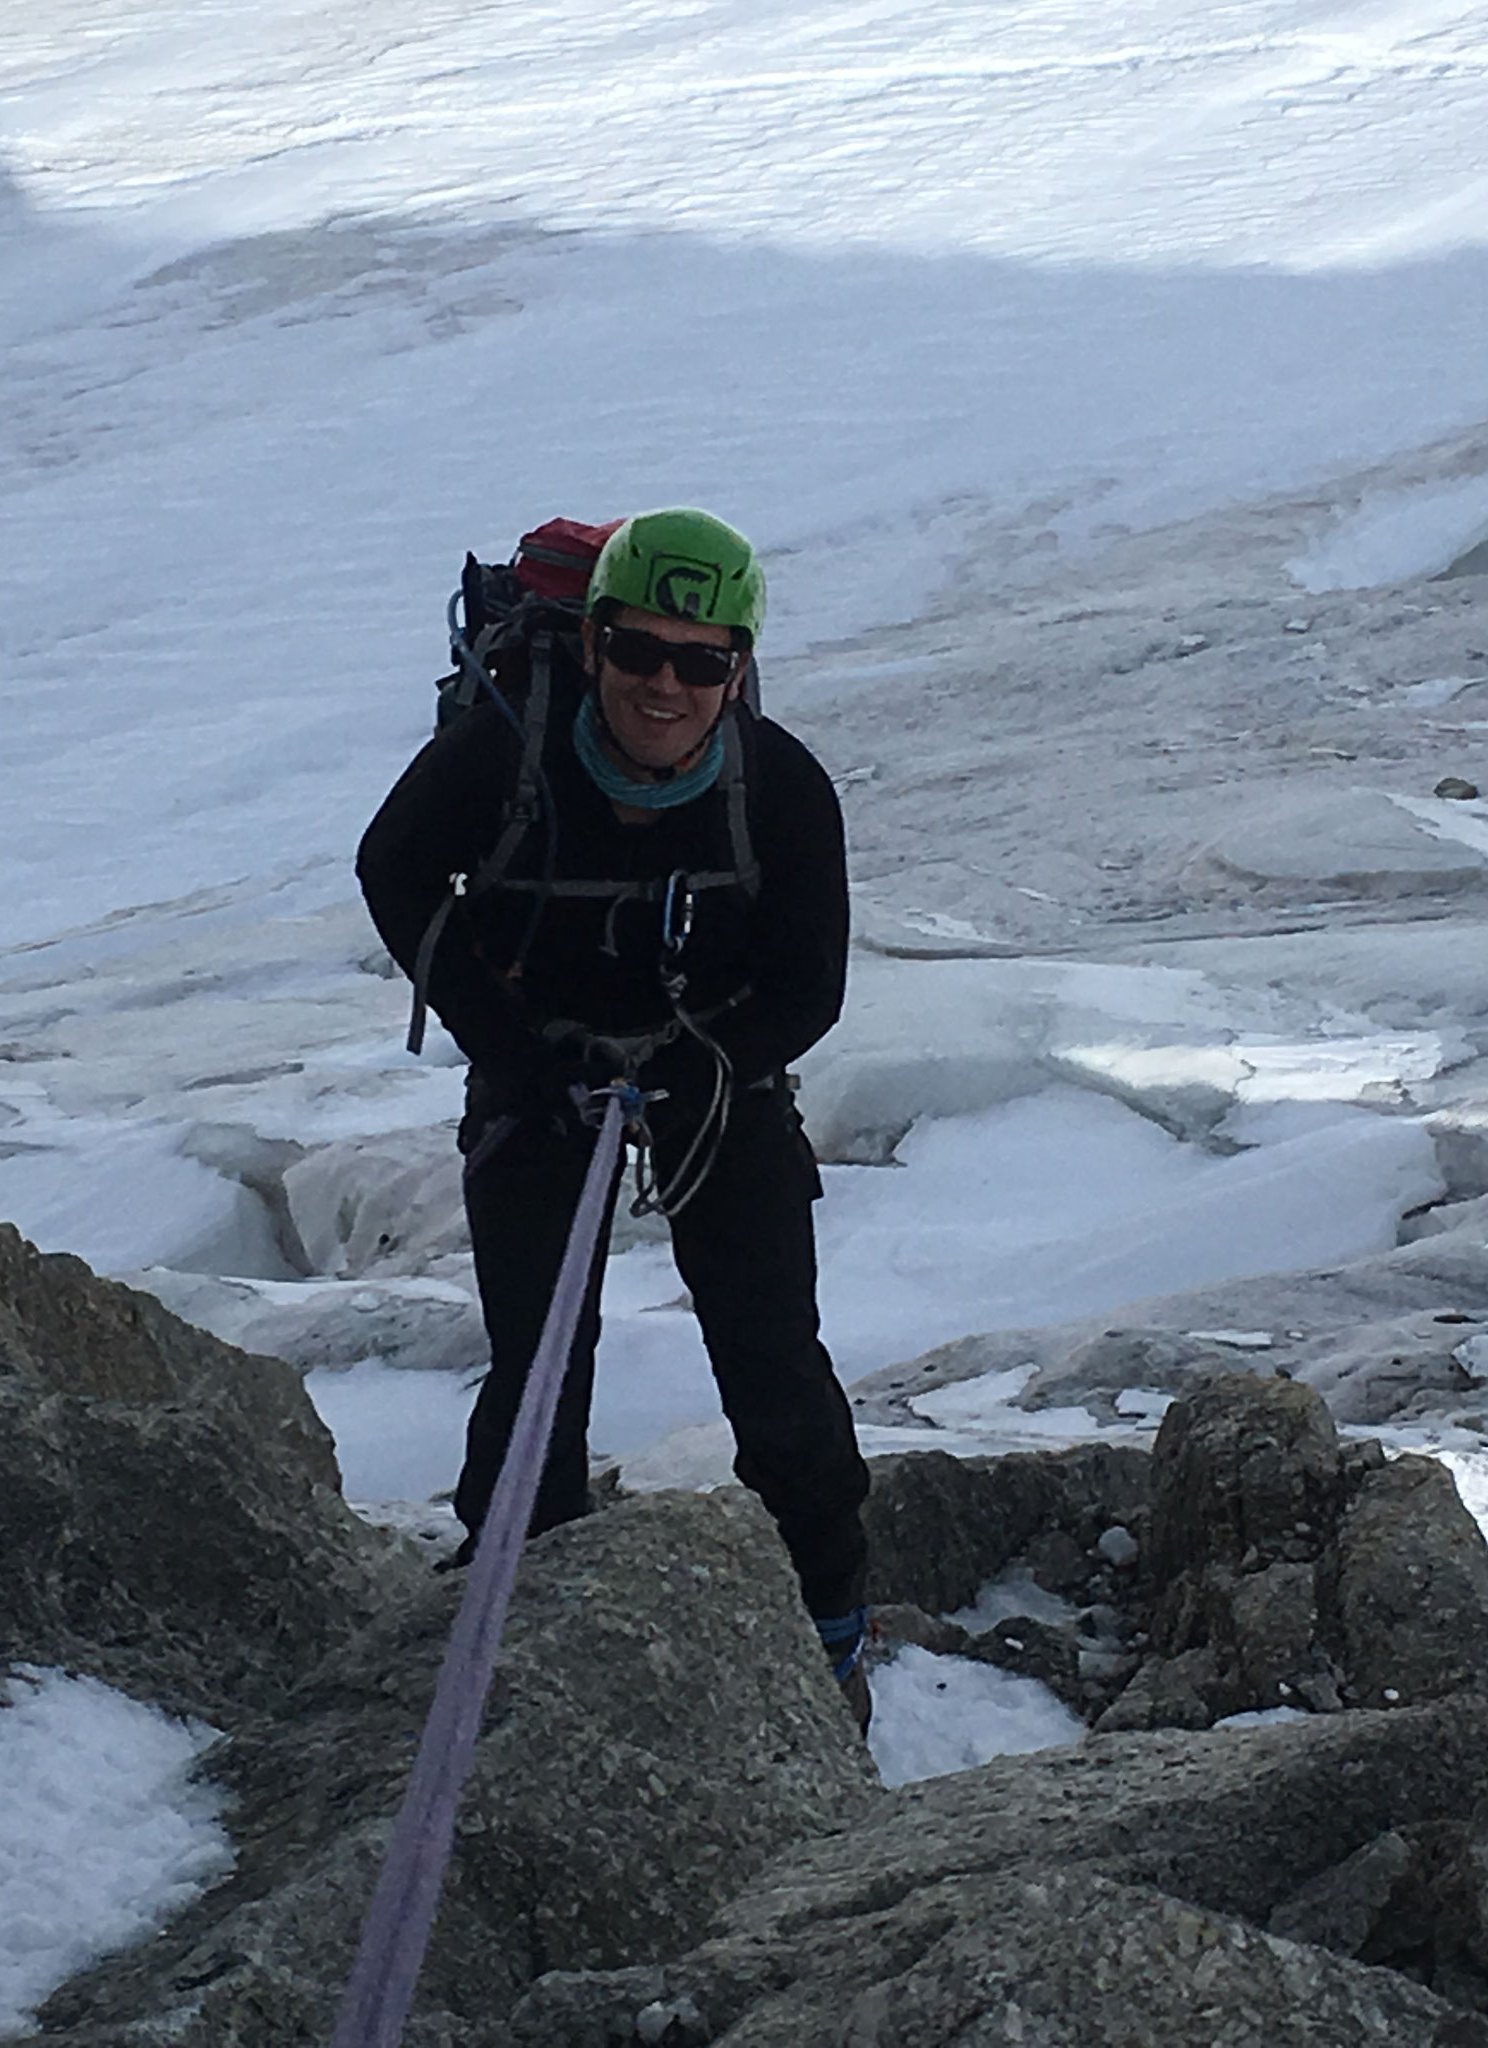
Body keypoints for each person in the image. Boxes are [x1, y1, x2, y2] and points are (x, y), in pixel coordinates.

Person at [356, 507, 872, 1728]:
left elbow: (810, 982)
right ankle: (515, 1596)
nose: (665, 685)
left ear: (735, 669)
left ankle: (829, 1624)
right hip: (541, 1061)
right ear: (588, 645)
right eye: (639, 650)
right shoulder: (499, 753)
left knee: (771, 1358)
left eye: (700, 662)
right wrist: (514, 1047)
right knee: (541, 1353)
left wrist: (708, 1062)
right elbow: (395, 869)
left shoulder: (779, 786)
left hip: (712, 1073)